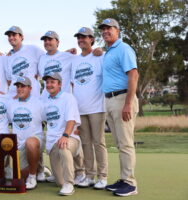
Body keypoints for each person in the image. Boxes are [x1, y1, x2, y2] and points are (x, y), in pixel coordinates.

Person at [98, 18, 139, 196]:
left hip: (122, 99)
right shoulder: (108, 52)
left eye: (110, 29)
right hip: (110, 100)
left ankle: (130, 183)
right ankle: (123, 179)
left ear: (118, 31)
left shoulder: (123, 49)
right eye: (103, 29)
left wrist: (128, 104)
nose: (106, 31)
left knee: (125, 144)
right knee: (119, 143)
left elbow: (133, 75)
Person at [71, 27, 108, 189]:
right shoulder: (75, 60)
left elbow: (111, 58)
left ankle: (103, 176)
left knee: (98, 142)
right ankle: (90, 175)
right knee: (85, 143)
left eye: (84, 37)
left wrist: (103, 49)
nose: (81, 40)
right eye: (79, 38)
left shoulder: (100, 56)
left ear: (92, 39)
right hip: (81, 109)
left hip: (97, 107)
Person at [42, 72, 81, 196]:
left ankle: (69, 183)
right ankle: (59, 175)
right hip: (53, 143)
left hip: (69, 138)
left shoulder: (68, 98)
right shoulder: (45, 101)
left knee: (63, 146)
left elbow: (71, 120)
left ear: (60, 84)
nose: (49, 85)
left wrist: (65, 135)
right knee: (59, 182)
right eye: (47, 82)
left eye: (52, 82)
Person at [7, 76, 45, 190]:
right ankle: (39, 168)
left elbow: (49, 121)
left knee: (31, 143)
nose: (19, 89)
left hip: (35, 140)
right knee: (20, 176)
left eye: (23, 86)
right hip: (20, 145)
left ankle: (33, 176)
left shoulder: (39, 103)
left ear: (30, 88)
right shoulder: (11, 104)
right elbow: (9, 123)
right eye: (18, 86)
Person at [4, 26, 45, 97]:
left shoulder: (32, 49)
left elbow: (48, 57)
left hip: (32, 95)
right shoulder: (8, 57)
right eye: (9, 36)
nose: (11, 38)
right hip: (14, 96)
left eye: (14, 35)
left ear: (21, 37)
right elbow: (9, 80)